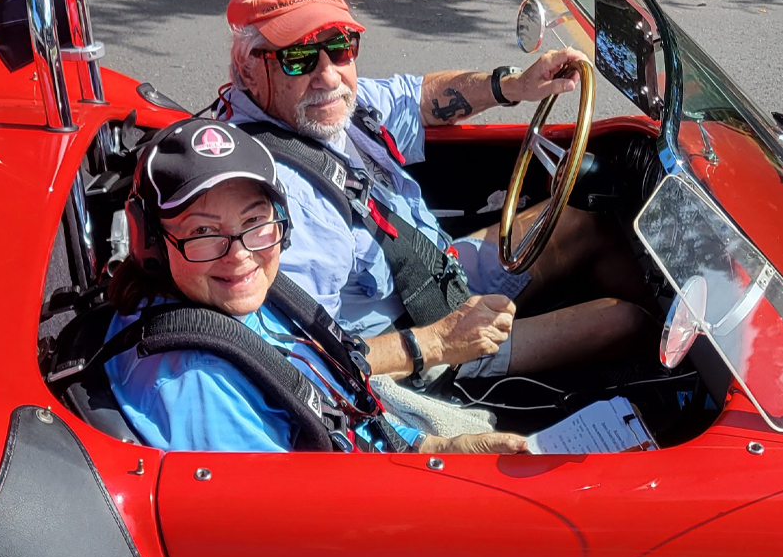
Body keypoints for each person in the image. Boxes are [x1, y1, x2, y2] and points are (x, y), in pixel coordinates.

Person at [216, 0, 656, 387]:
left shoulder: (331, 107)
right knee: (626, 321)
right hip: (420, 346)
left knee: (587, 219)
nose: (328, 74)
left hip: (434, 269)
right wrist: (440, 343)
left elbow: (419, 97)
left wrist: (513, 86)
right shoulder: (279, 203)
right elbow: (302, 360)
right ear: (248, 68)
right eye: (299, 57)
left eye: (341, 46)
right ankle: (663, 393)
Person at [101, 118, 528, 455]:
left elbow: (330, 396)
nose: (240, 254)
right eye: (203, 233)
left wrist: (433, 447)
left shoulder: (236, 298)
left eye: (254, 222)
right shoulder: (196, 384)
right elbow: (288, 530)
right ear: (152, 244)